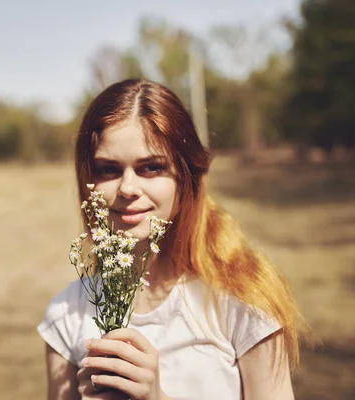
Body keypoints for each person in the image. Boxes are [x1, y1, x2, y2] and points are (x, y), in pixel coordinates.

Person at [38, 78, 302, 400]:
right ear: (88, 181)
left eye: (150, 168)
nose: (127, 188)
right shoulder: (67, 314)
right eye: (108, 170)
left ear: (186, 176)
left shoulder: (242, 295)